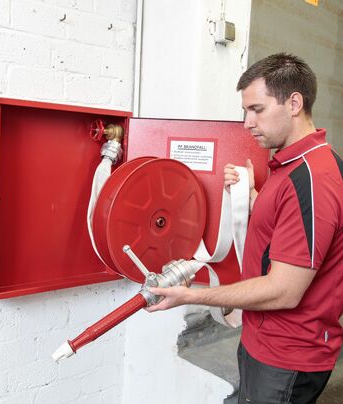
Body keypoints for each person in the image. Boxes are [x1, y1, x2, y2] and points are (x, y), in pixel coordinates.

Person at [147, 53, 343, 403]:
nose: (247, 123)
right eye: (245, 111)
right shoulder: (290, 166)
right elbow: (286, 226)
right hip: (261, 340)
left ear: (294, 103)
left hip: (288, 357)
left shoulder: (313, 179)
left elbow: (285, 291)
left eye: (257, 109)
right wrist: (251, 199)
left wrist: (192, 297)